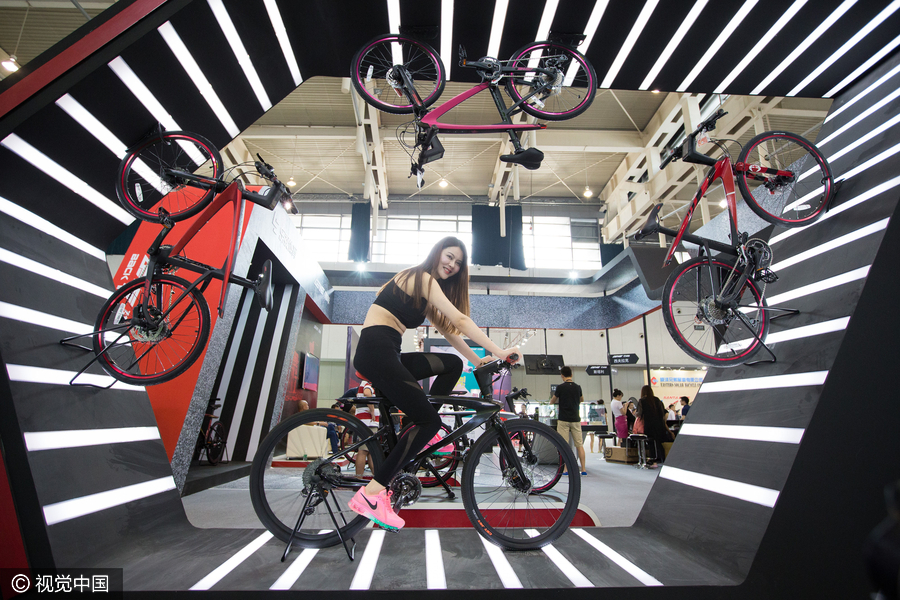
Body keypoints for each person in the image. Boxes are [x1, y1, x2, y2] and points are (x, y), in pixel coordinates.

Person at [348, 236, 518, 531]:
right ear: (437, 252)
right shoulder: (422, 278)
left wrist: (477, 360)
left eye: (458, 263)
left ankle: (425, 427)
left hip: (388, 351)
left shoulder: (422, 290)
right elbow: (461, 320)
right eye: (449, 256)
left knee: (451, 364)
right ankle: (372, 494)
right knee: (428, 422)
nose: (452, 265)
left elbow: (450, 331)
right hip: (377, 350)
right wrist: (500, 351)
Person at [550, 366, 587, 475]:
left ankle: (565, 469)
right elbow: (582, 399)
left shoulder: (560, 387)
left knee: (564, 445)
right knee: (579, 444)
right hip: (575, 419)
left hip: (563, 419)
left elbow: (552, 401)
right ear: (571, 375)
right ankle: (583, 469)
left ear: (562, 375)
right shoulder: (577, 387)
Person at [637, 385, 672, 466]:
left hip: (649, 424)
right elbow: (663, 412)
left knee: (651, 442)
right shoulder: (657, 400)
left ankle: (653, 459)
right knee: (658, 442)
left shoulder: (642, 401)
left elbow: (639, 413)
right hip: (659, 424)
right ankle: (662, 458)